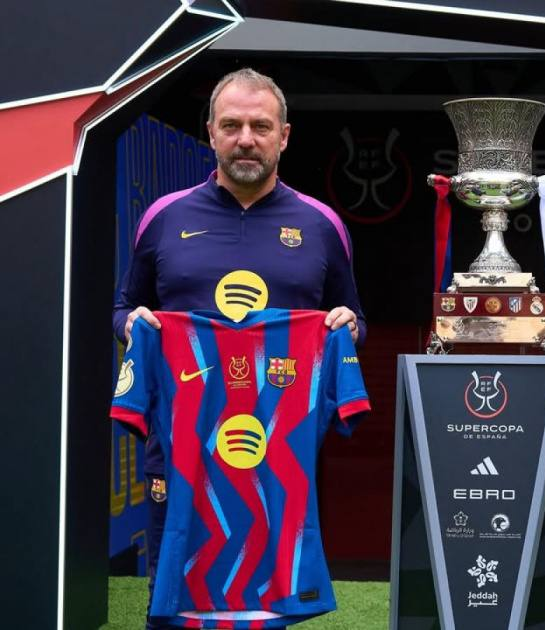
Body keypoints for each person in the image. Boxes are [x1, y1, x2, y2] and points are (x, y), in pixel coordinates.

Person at [112, 68, 366, 630]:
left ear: (284, 136)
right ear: (210, 132)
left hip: (276, 455)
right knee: (174, 607)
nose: (245, 139)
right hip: (182, 454)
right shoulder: (164, 217)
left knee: (266, 608)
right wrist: (134, 325)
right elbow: (124, 306)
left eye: (260, 126)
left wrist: (348, 327)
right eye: (231, 125)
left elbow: (352, 317)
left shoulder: (322, 225)